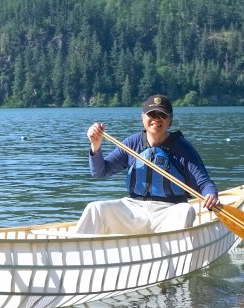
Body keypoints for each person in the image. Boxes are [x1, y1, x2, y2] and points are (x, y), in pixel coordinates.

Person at [74, 94, 220, 235]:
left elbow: (204, 183)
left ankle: (172, 255)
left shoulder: (183, 149)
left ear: (170, 120)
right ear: (142, 118)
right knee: (95, 209)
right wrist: (96, 145)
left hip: (169, 210)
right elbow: (100, 172)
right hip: (135, 209)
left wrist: (211, 195)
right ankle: (80, 253)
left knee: (186, 211)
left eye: (162, 115)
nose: (156, 119)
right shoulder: (131, 143)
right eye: (152, 114)